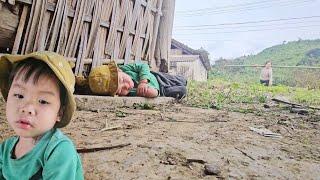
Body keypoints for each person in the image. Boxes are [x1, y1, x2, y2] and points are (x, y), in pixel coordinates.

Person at [0, 51, 84, 179]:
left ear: (60, 113)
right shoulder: (5, 149)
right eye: (19, 95)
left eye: (43, 101)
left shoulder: (59, 150)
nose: (27, 109)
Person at [85, 62, 187, 99]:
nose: (126, 86)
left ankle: (183, 80)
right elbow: (151, 93)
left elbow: (143, 65)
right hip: (162, 90)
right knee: (182, 90)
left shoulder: (125, 68)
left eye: (122, 80)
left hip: (157, 76)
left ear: (119, 70)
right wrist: (153, 93)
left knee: (181, 80)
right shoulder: (131, 94)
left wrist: (143, 81)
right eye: (120, 90)